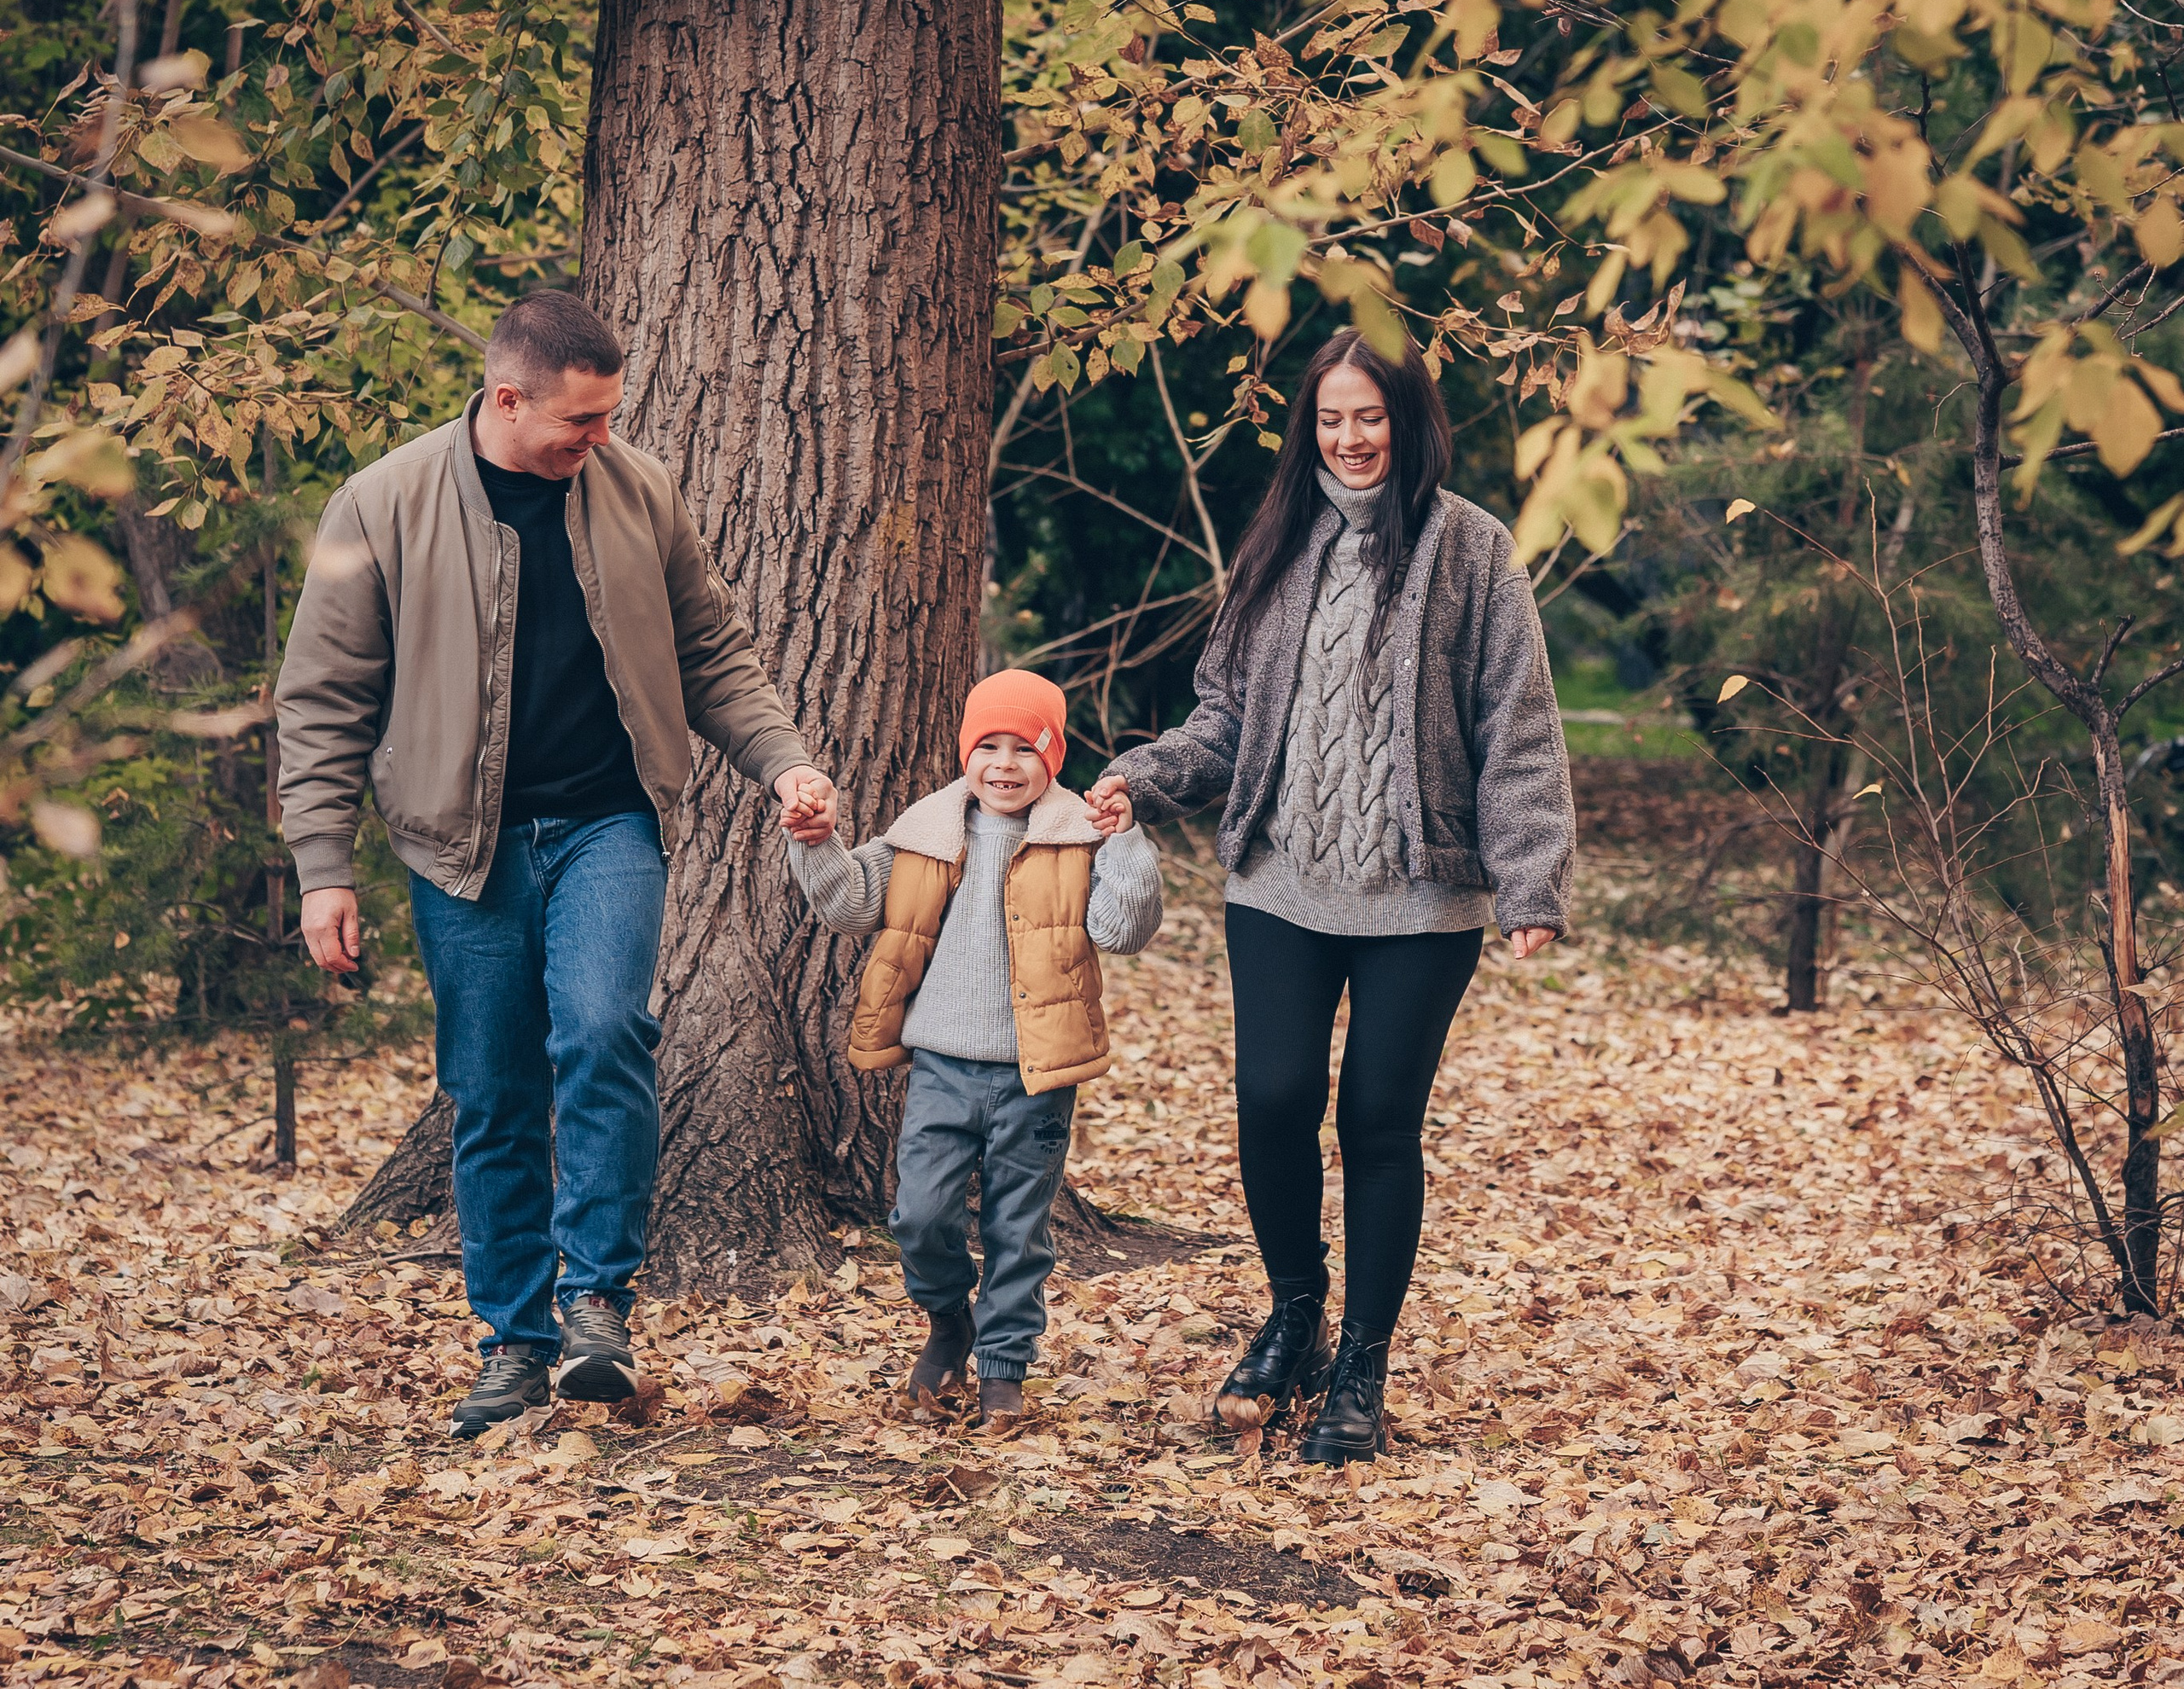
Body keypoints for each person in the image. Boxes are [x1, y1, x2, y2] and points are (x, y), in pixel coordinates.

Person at [276, 288, 839, 1439]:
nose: (600, 438)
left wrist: (782, 761)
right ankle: (514, 1343)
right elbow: (322, 700)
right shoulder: (380, 504)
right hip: (459, 846)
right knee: (491, 1091)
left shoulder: (638, 490)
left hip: (606, 822)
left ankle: (596, 1307)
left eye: (609, 416)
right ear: (507, 399)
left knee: (603, 1031)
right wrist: (322, 865)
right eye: (580, 420)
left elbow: (712, 648)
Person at [1088, 328, 1573, 1464]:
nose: (1351, 438)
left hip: (1421, 897)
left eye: (1371, 416)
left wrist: (1529, 881)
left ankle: (1363, 1359)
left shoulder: (1472, 550)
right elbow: (1223, 716)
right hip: (1279, 881)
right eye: (1331, 418)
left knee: (1377, 1122)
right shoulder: (1276, 545)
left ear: (1409, 421)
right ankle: (1294, 1313)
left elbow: (1517, 726)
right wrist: (1140, 778)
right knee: (1273, 1099)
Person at [787, 666, 1161, 1428]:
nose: (1004, 764)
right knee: (920, 1216)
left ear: (1052, 757)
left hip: (1037, 1072)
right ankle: (948, 1320)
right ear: (966, 753)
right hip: (942, 1066)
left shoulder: (1079, 835)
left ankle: (1003, 1369)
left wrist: (1126, 840)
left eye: (1025, 748)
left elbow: (1124, 930)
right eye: (988, 746)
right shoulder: (926, 832)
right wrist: (818, 844)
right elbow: (851, 904)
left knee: (1016, 1230)